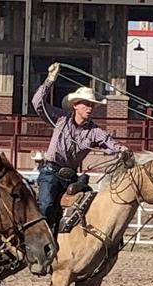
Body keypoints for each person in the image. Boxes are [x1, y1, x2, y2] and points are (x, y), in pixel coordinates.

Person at [31, 63, 130, 227]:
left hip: (71, 176)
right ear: (75, 105)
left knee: (89, 203)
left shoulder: (94, 131)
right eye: (85, 104)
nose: (89, 108)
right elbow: (38, 104)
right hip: (50, 172)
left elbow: (110, 143)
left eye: (91, 105)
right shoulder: (61, 119)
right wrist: (50, 80)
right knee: (46, 205)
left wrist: (123, 150)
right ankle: (40, 240)